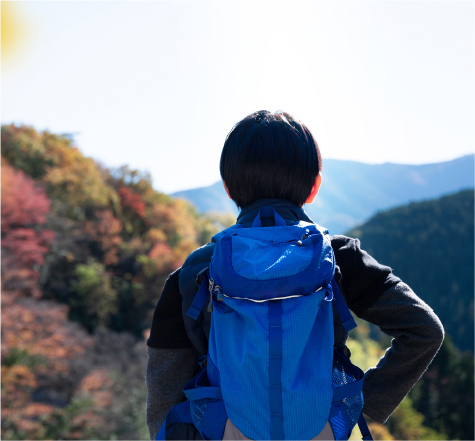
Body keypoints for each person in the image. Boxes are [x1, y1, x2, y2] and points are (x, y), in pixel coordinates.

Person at [145, 110, 444, 440]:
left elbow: (164, 394)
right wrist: (361, 404)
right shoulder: (339, 258)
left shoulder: (194, 272)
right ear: (315, 186)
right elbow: (425, 331)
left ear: (228, 188)